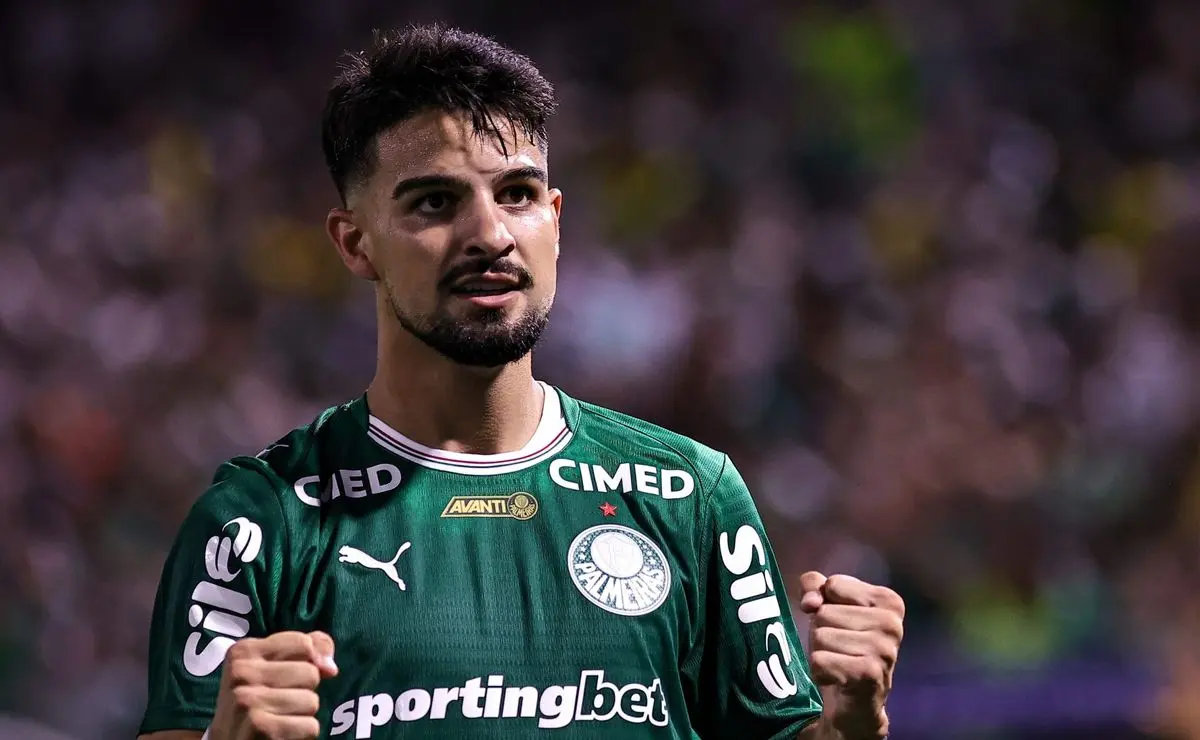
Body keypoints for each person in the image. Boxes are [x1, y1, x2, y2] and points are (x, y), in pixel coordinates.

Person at [137, 23, 905, 740]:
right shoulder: (258, 523)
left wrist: (850, 722)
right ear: (354, 242)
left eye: (518, 194)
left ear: (556, 219)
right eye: (435, 202)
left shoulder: (691, 497)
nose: (491, 234)